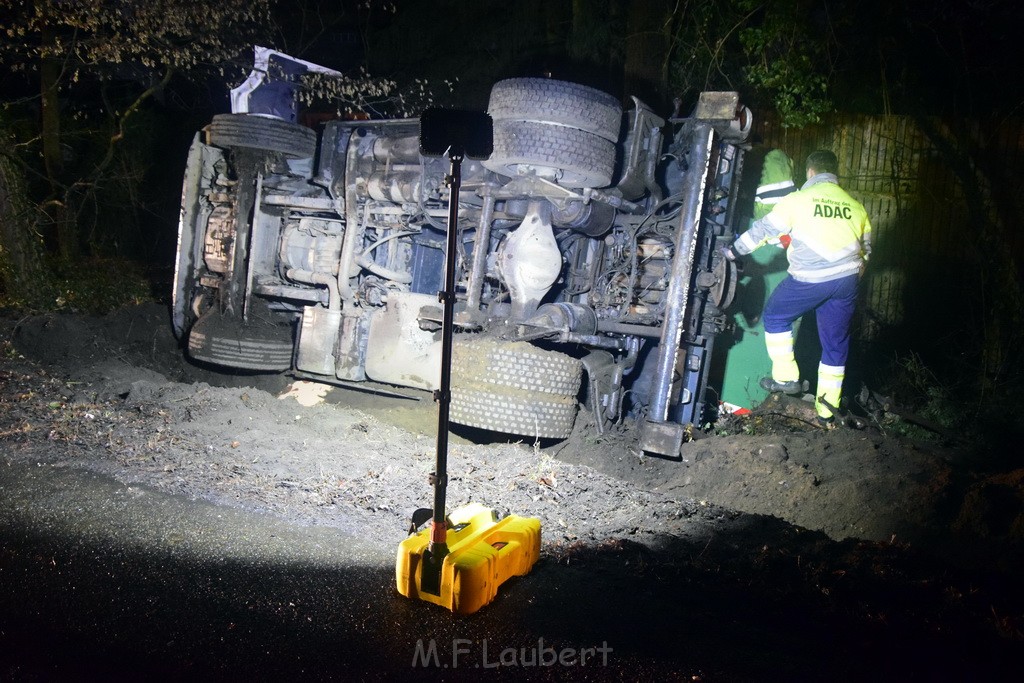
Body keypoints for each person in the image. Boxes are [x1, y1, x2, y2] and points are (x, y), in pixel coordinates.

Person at [722, 150, 871, 424]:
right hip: (846, 282)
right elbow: (866, 251)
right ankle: (827, 413)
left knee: (776, 316)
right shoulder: (856, 206)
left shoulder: (799, 201)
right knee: (835, 346)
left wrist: (732, 252)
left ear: (810, 172)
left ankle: (787, 378)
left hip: (810, 279)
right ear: (834, 173)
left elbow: (763, 231)